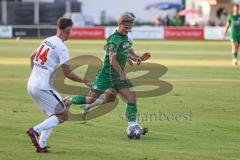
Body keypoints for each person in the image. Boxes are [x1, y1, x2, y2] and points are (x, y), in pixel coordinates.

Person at [64, 12, 151, 135]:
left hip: (118, 75)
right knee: (89, 99)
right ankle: (69, 100)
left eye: (130, 28)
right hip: (106, 75)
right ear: (119, 24)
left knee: (130, 97)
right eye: (126, 28)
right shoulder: (113, 39)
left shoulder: (126, 37)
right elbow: (112, 59)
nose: (128, 30)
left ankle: (133, 126)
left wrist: (138, 58)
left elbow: (127, 52)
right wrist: (121, 74)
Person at [26, 17, 91, 153]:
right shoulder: (62, 48)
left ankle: (42, 145)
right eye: (71, 31)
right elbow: (67, 73)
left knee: (54, 114)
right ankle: (35, 130)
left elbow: (32, 57)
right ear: (68, 30)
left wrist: (36, 74)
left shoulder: (47, 40)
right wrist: (85, 81)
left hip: (32, 85)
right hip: (43, 87)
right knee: (63, 116)